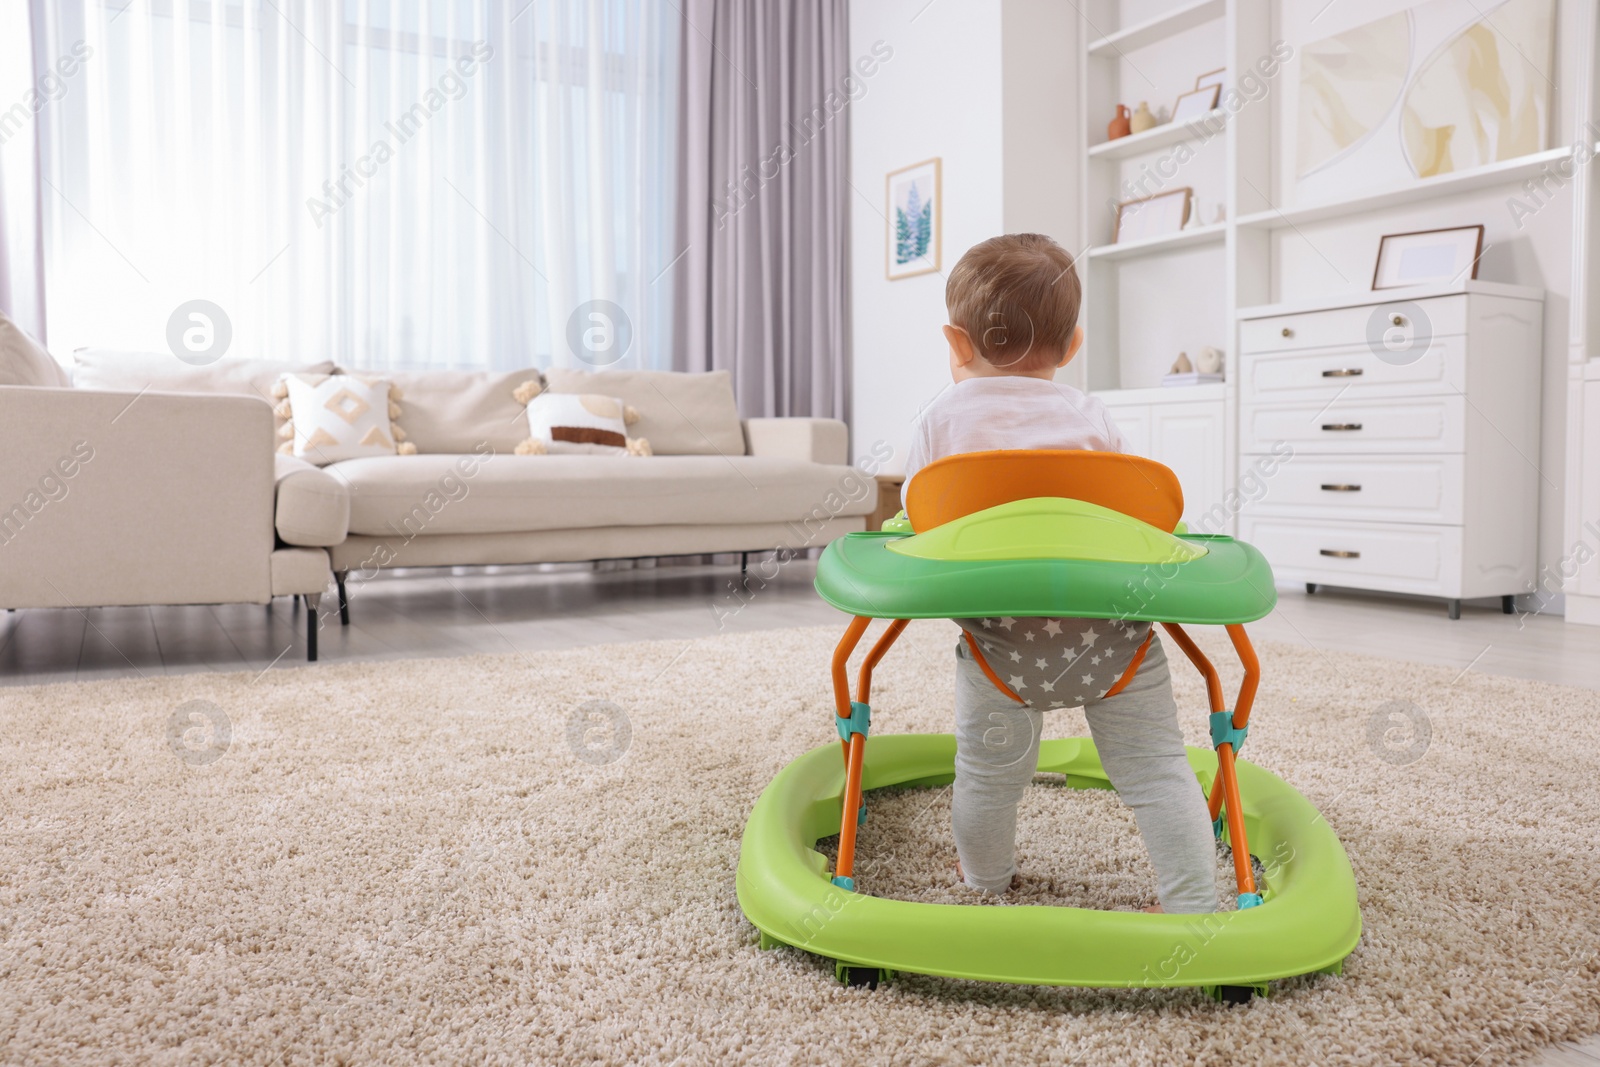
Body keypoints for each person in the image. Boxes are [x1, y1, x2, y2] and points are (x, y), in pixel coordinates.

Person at [903, 233, 1217, 914]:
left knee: (987, 778)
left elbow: (920, 514)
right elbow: (1140, 507)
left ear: (957, 343)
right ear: (1072, 346)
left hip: (1002, 647)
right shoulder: (1092, 415)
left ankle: (985, 886)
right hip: (1117, 640)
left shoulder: (940, 420)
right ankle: (1195, 906)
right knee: (1160, 772)